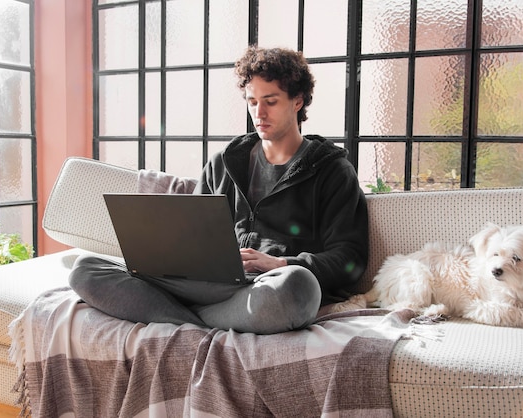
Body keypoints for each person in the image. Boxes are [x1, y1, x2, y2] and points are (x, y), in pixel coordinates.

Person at [69, 46, 369, 334]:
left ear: (298, 101)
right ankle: (202, 324)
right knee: (85, 269)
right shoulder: (223, 163)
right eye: (252, 101)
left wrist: (281, 263)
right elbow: (193, 237)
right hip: (207, 284)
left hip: (266, 286)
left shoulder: (332, 171)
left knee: (298, 288)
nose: (259, 113)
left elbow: (350, 258)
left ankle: (176, 318)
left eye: (271, 101)